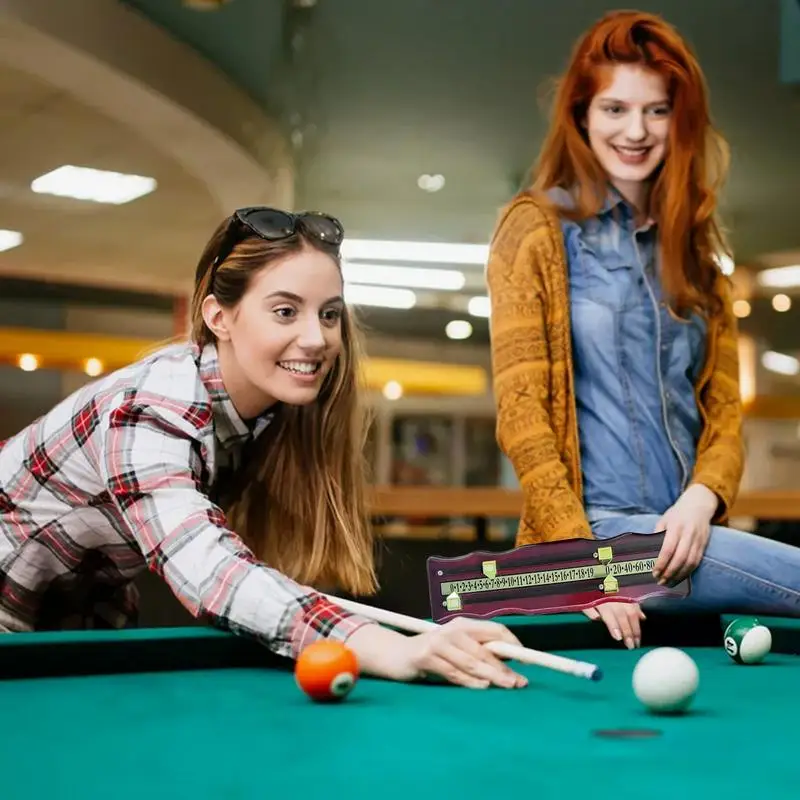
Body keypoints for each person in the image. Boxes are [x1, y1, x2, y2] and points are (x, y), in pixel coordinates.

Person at [0, 206, 527, 691]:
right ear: (218, 317)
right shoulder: (149, 410)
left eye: (328, 314)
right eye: (284, 311)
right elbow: (209, 569)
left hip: (64, 628)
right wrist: (391, 649)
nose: (317, 338)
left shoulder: (269, 415)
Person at [486, 10, 800, 649]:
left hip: (687, 535)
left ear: (678, 122)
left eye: (656, 111)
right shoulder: (535, 230)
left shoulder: (697, 259)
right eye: (615, 109)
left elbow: (723, 422)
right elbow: (523, 418)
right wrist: (584, 567)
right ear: (581, 115)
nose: (636, 131)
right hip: (596, 537)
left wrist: (702, 500)